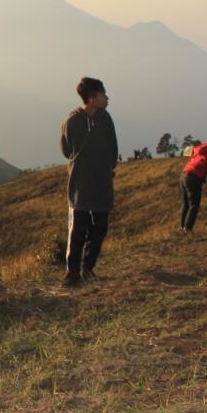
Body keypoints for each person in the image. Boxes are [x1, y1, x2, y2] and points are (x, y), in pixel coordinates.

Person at [59, 77, 118, 287]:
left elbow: (113, 147)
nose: (107, 98)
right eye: (103, 94)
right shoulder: (72, 121)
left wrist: (108, 167)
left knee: (100, 228)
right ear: (92, 99)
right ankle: (72, 272)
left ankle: (87, 268)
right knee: (78, 230)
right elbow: (67, 150)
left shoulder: (105, 118)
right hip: (81, 183)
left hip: (100, 182)